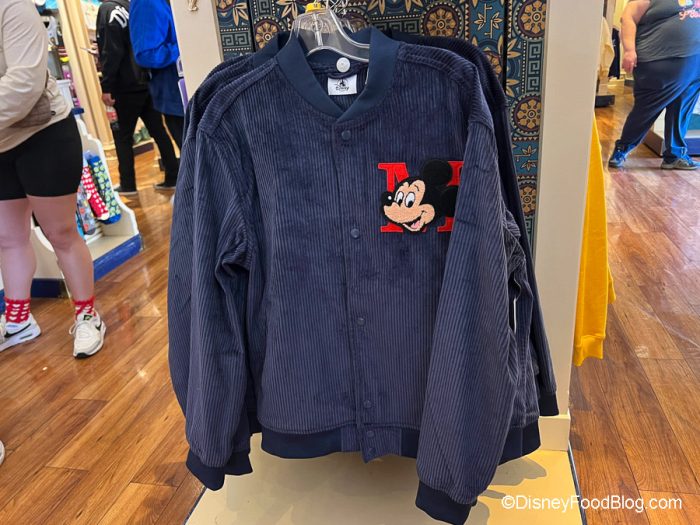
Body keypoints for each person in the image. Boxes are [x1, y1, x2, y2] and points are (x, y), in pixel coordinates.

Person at [0, 0, 106, 357]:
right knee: (8, 238)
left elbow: (24, 84)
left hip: (43, 133)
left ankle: (88, 315)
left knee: (60, 232)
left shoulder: (12, 6)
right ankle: (18, 321)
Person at [97, 0, 179, 192]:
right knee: (159, 131)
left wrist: (107, 85)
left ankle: (128, 184)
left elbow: (112, 52)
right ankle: (173, 175)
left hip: (124, 86)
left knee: (122, 137)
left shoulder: (109, 10)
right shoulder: (128, 7)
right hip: (146, 81)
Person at [608, 0, 700, 170]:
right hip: (659, 58)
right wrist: (629, 50)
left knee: (682, 108)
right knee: (647, 109)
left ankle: (675, 154)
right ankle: (623, 147)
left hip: (694, 60)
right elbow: (628, 17)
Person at [129, 0, 185, 150]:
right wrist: (186, 44)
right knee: (198, 158)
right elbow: (147, 54)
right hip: (176, 97)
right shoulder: (146, 3)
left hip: (189, 94)